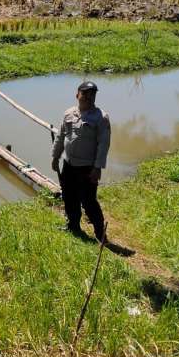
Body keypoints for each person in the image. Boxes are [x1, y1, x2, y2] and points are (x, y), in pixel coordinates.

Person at [51, 81, 111, 242]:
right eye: (85, 94)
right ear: (77, 95)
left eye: (92, 94)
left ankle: (100, 233)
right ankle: (73, 225)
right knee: (69, 197)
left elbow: (103, 145)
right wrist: (55, 157)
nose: (88, 97)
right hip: (68, 165)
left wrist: (97, 168)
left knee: (89, 201)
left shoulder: (101, 117)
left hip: (87, 167)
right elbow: (61, 136)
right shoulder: (69, 113)